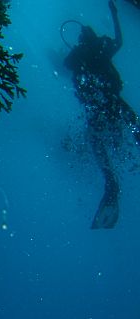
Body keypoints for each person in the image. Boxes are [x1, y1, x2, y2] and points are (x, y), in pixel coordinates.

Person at [63, 0, 139, 229]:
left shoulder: (79, 56)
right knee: (131, 123)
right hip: (114, 102)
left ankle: (110, 182)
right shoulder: (101, 48)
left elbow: (68, 66)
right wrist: (114, 15)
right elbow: (120, 41)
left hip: (97, 108)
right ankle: (111, 182)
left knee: (95, 139)